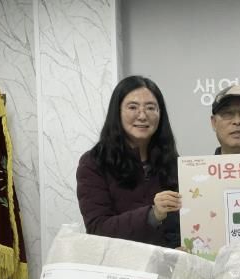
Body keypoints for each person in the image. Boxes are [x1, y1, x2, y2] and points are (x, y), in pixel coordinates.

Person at [76, 75, 181, 248]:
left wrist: (179, 248)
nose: (142, 115)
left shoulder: (172, 162)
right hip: (118, 262)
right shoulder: (94, 163)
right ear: (117, 112)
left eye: (150, 107)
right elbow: (97, 229)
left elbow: (180, 224)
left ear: (160, 114)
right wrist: (152, 214)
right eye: (133, 107)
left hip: (166, 263)